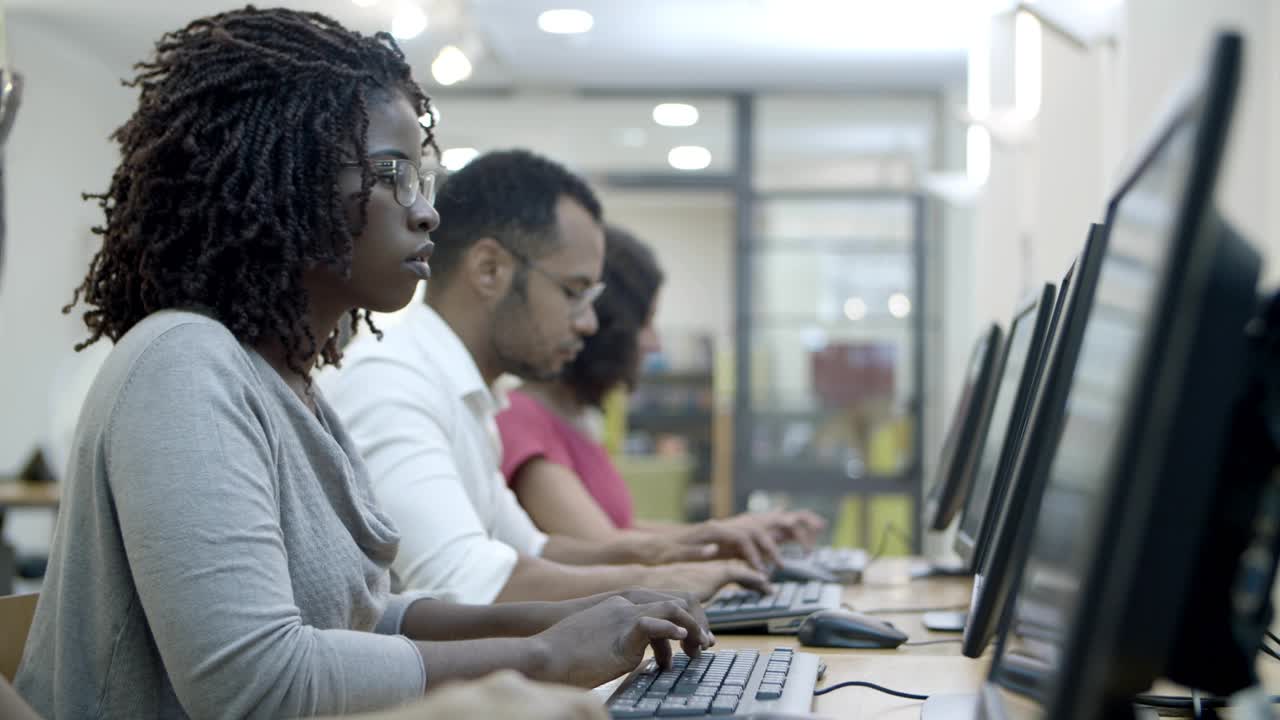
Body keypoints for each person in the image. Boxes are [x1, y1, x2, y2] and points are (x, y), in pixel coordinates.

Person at [14, 8, 710, 719]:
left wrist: (572, 616)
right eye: (391, 175)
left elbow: (362, 618)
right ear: (282, 178)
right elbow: (256, 682)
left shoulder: (289, 383)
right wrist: (544, 656)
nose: (426, 213)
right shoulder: (183, 366)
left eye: (422, 181)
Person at [322, 149, 771, 605]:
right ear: (489, 269)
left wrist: (677, 551)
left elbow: (534, 550)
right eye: (573, 292)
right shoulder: (393, 381)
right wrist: (667, 580)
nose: (588, 323)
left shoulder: (466, 392)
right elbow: (467, 583)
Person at [496, 225, 825, 553]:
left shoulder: (574, 419)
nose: (654, 343)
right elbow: (604, 549)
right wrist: (716, 543)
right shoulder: (522, 420)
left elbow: (621, 531)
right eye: (647, 322)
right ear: (609, 325)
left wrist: (733, 531)